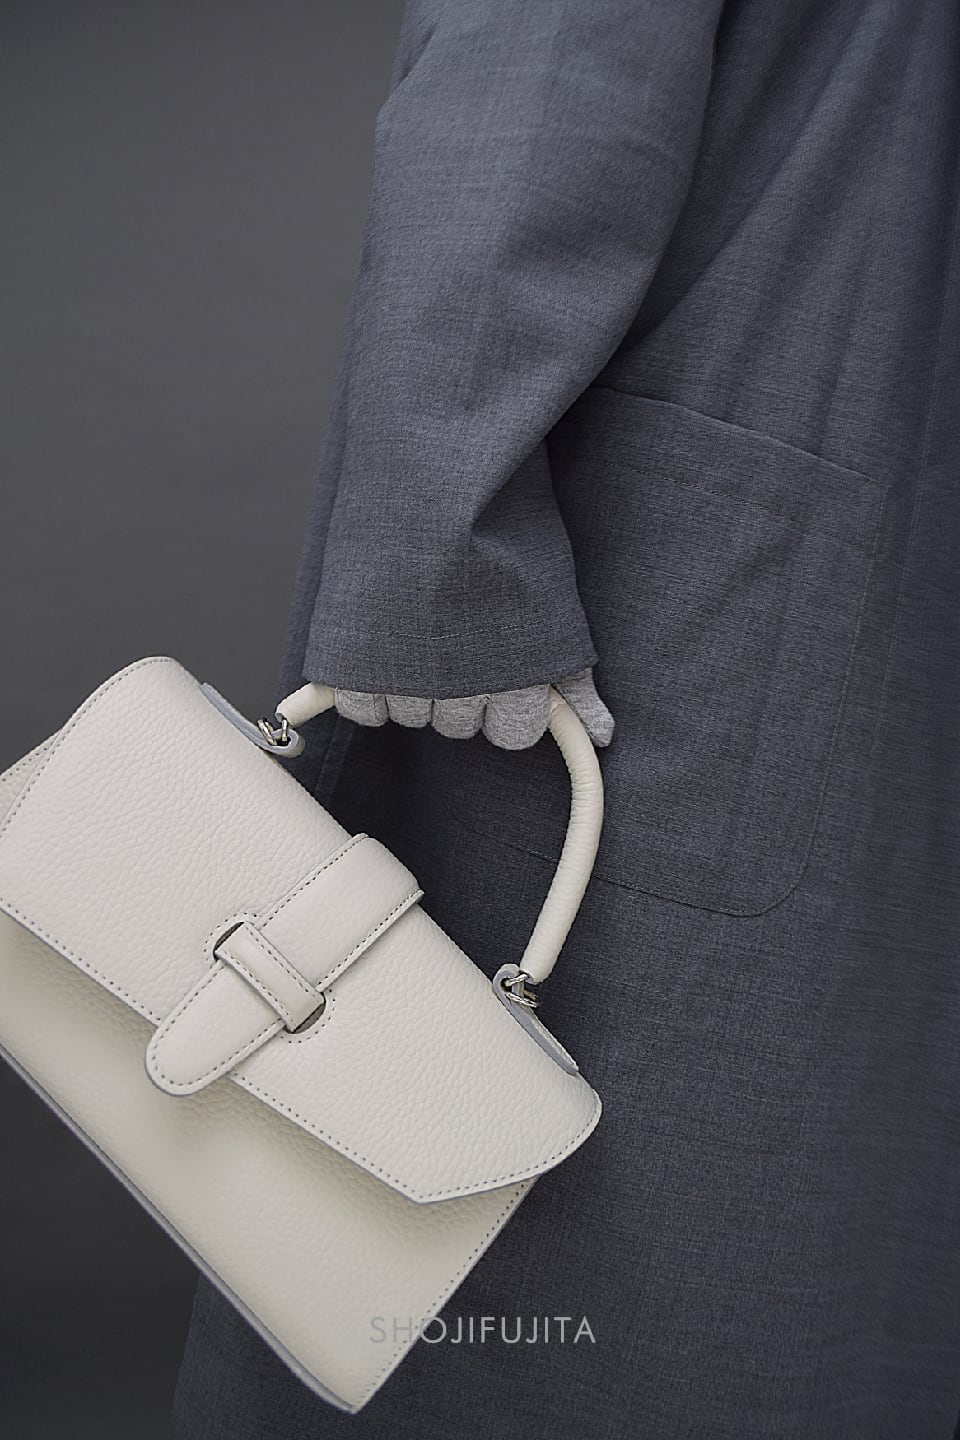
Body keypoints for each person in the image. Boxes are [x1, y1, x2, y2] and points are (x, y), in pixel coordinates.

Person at [172, 1, 960, 1435]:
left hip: (821, 552)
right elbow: (547, 55)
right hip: (693, 583)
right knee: (560, 1223)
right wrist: (445, 553)